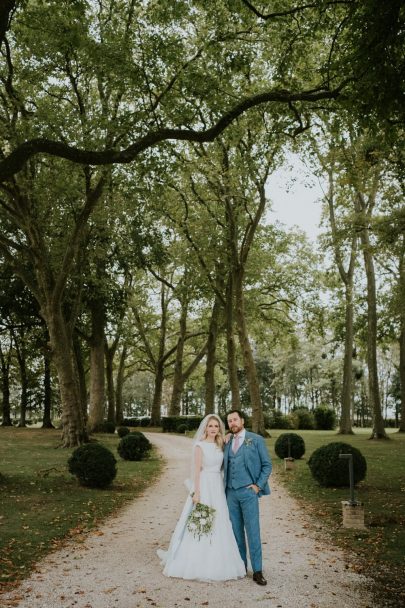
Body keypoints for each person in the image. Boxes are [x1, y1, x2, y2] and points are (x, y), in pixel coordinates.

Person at [157, 414, 246, 581]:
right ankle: (196, 560)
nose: (213, 429)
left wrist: (227, 436)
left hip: (217, 486)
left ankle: (219, 558)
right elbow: (196, 471)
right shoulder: (200, 446)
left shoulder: (221, 444)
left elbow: (231, 443)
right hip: (204, 485)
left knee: (220, 521)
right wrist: (196, 492)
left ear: (219, 428)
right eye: (210, 426)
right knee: (203, 521)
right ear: (205, 428)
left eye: (216, 426)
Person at [224, 409, 272, 586]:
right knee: (236, 532)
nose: (233, 423)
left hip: (248, 492)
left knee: (253, 531)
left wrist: (257, 485)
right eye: (229, 421)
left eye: (235, 420)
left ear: (242, 420)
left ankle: (257, 570)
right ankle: (241, 566)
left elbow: (267, 465)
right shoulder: (227, 442)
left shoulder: (256, 439)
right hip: (230, 493)